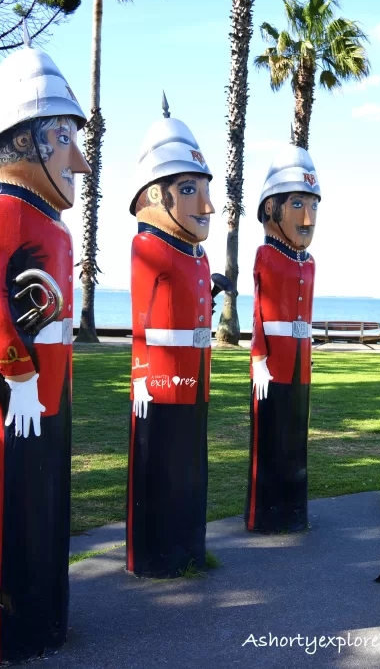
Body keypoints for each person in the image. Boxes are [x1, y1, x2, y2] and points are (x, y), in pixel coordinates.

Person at [0, 36, 90, 664]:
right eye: (65, 137)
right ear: (26, 139)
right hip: (16, 397)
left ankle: (46, 614)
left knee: (46, 511)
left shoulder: (49, 222)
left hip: (49, 394)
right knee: (13, 509)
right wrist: (19, 376)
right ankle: (6, 631)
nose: (80, 160)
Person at [126, 94, 216, 578]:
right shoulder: (149, 247)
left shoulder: (197, 256)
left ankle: (189, 549)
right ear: (154, 195)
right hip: (160, 383)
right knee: (159, 467)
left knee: (190, 467)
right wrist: (141, 376)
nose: (207, 205)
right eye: (189, 189)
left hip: (195, 381)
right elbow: (142, 322)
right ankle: (158, 554)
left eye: (204, 188)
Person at [245, 144, 321, 534]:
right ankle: (267, 514)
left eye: (313, 205)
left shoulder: (308, 263)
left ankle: (294, 509)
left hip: (299, 363)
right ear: (271, 208)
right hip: (273, 362)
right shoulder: (267, 255)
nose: (308, 217)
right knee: (271, 438)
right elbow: (259, 310)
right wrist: (258, 357)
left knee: (295, 438)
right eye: (297, 204)